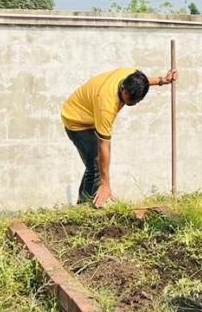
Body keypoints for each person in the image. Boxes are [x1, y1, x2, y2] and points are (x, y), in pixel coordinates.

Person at [62, 67, 179, 208]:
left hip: (90, 113)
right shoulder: (106, 105)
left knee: (94, 166)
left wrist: (162, 80)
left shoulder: (130, 76)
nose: (131, 104)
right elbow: (104, 145)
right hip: (76, 120)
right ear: (123, 88)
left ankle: (83, 204)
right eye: (129, 100)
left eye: (136, 101)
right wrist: (106, 185)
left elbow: (143, 82)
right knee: (96, 164)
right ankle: (85, 209)